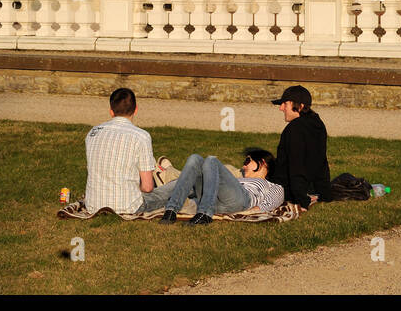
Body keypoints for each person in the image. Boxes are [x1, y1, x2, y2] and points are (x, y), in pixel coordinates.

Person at [156, 149, 284, 226]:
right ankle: (171, 211)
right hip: (214, 201)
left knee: (212, 160)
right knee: (195, 158)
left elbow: (275, 198)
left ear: (262, 163)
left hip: (241, 199)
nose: (244, 166)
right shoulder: (239, 178)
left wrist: (256, 209)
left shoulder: (271, 185)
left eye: (247, 161)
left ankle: (204, 214)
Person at [83, 88, 158, 215]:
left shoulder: (92, 133)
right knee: (176, 186)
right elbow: (147, 187)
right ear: (136, 109)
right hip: (128, 206)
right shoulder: (141, 136)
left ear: (111, 111)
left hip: (93, 205)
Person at [269, 84, 331, 208]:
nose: (281, 108)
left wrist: (302, 200)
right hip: (313, 188)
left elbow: (296, 168)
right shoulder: (317, 124)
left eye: (285, 104)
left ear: (300, 106)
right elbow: (320, 163)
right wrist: (324, 193)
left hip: (285, 190)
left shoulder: (295, 129)